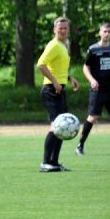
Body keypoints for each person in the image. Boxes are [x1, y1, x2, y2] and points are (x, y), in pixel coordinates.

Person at [76, 23, 110, 155]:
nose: (107, 34)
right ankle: (80, 145)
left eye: (109, 32)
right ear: (100, 33)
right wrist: (92, 80)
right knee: (92, 117)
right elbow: (86, 67)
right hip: (98, 89)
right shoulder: (93, 49)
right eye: (104, 31)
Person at [37, 17, 80, 172]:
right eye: (60, 28)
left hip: (59, 89)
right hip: (50, 90)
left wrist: (69, 78)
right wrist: (54, 81)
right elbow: (40, 65)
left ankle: (54, 163)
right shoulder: (54, 45)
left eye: (65, 28)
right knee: (56, 126)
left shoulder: (63, 45)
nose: (63, 30)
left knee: (62, 127)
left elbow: (58, 67)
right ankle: (45, 163)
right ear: (54, 30)